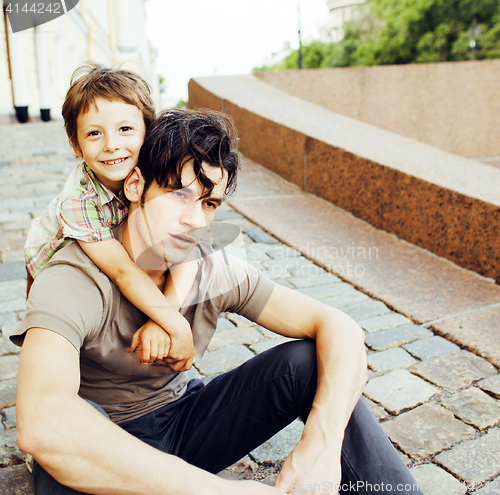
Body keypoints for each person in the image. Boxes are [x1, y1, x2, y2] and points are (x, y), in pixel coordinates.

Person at [13, 108, 423, 495]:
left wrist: (323, 442)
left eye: (208, 203)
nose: (195, 220)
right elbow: (42, 422)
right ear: (136, 185)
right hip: (103, 449)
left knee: (309, 361)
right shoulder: (74, 277)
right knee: (66, 446)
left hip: (182, 424)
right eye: (178, 195)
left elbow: (341, 327)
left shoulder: (208, 269)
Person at [24, 64, 196, 368]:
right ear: (76, 145)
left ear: (148, 129)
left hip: (113, 251)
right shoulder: (78, 201)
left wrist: (164, 318)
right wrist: (179, 327)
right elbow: (122, 272)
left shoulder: (154, 170)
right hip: (54, 262)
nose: (111, 145)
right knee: (60, 338)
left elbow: (190, 252)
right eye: (94, 134)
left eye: (125, 129)